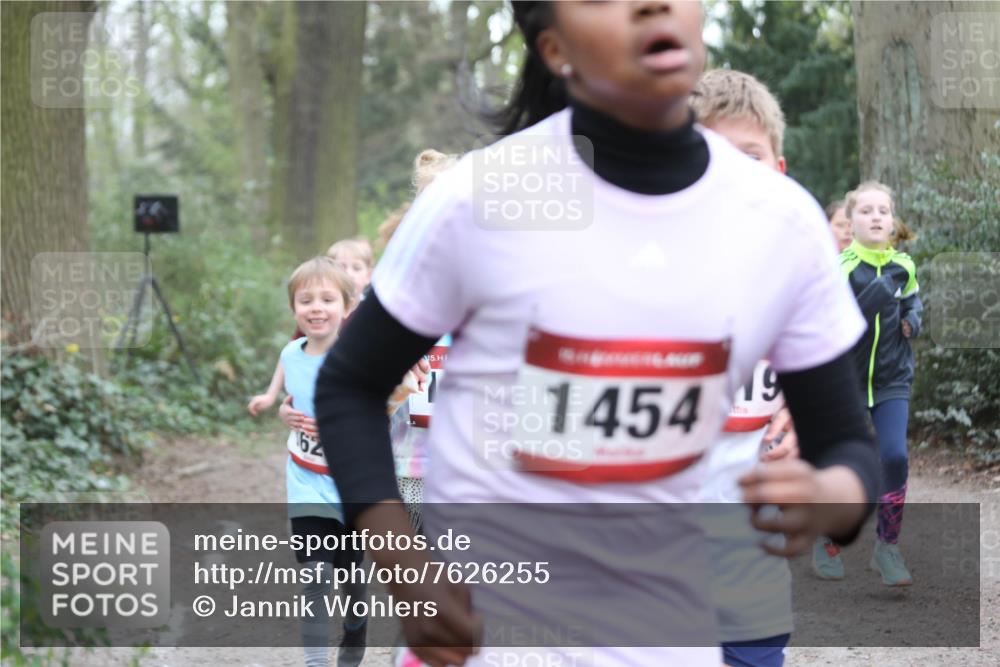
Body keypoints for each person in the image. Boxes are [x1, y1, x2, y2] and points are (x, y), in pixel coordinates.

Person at [316, 2, 880, 666]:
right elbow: (351, 384)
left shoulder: (780, 222)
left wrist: (828, 496)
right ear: (557, 49)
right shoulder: (483, 197)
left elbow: (847, 443)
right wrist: (405, 566)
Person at [689, 67, 799, 667]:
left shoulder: (799, 283)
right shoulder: (627, 275)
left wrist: (801, 413)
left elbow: (836, 408)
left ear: (777, 171)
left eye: (749, 156)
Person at [814, 181, 922, 586]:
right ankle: (828, 539)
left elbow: (912, 298)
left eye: (883, 210)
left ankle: (887, 548)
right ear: (851, 221)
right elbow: (840, 325)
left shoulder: (904, 266)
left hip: (893, 380)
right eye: (866, 211)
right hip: (848, 383)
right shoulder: (840, 268)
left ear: (892, 221)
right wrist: (874, 295)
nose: (876, 216)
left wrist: (915, 317)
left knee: (894, 457)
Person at [265, 257, 369, 667]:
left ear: (347, 307)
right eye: (305, 299)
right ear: (293, 309)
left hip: (352, 485)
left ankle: (355, 634)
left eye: (327, 299)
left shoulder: (360, 358)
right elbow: (291, 402)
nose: (316, 307)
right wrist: (283, 415)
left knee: (350, 576)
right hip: (306, 481)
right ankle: (315, 663)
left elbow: (386, 410)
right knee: (314, 578)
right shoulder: (291, 354)